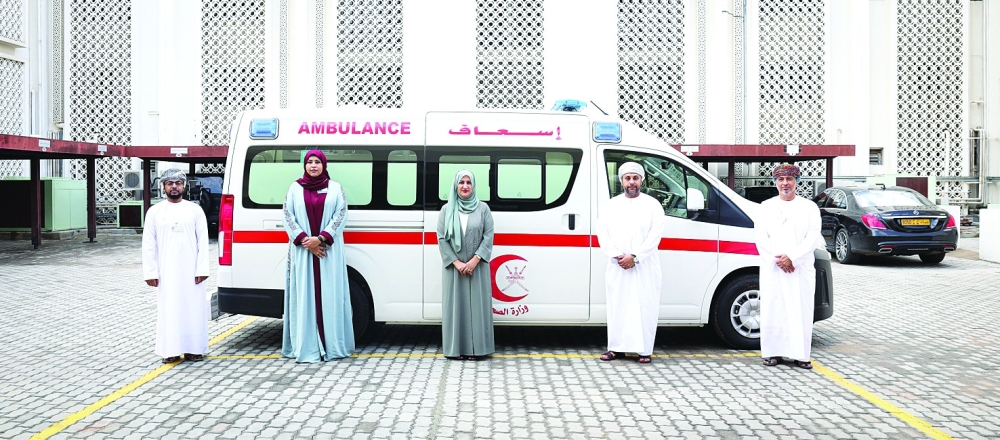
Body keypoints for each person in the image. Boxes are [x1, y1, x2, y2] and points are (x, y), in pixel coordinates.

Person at [281, 150, 355, 363]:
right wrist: (306, 240)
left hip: (327, 252)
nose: (313, 165)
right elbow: (287, 215)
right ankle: (307, 345)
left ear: (324, 164)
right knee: (304, 293)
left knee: (329, 294)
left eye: (317, 162)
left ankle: (331, 345)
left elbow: (341, 214)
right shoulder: (295, 188)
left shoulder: (335, 188)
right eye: (310, 162)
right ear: (304, 165)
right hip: (302, 252)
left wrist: (320, 239)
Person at [596, 162, 666, 364]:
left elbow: (655, 235)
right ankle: (616, 349)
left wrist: (635, 257)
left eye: (635, 178)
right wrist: (619, 256)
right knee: (619, 307)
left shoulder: (653, 205)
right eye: (628, 178)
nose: (632, 182)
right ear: (621, 181)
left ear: (642, 180)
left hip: (644, 266)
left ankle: (644, 350)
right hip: (618, 266)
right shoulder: (611, 206)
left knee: (645, 306)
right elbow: (603, 233)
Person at [754, 163, 823, 370]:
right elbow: (760, 238)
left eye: (789, 179)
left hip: (799, 269)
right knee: (774, 309)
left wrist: (792, 257)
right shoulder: (766, 206)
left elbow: (812, 238)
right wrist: (780, 260)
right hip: (774, 268)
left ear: (797, 182)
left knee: (800, 309)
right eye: (781, 179)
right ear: (775, 182)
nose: (785, 183)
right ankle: (772, 353)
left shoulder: (809, 207)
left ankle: (801, 355)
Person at [142, 169, 211, 364]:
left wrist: (202, 269)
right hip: (166, 271)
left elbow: (203, 241)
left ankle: (194, 349)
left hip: (192, 271)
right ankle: (170, 351)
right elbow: (148, 244)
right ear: (163, 186)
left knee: (194, 309)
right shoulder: (155, 212)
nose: (174, 186)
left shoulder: (195, 210)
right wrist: (150, 272)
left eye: (178, 183)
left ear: (184, 186)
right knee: (169, 310)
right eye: (170, 183)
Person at [437, 169, 495, 360]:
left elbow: (488, 236)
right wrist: (457, 263)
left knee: (478, 307)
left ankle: (478, 350)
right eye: (461, 182)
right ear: (455, 185)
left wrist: (474, 260)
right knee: (455, 307)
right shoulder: (446, 210)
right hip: (455, 269)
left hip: (477, 267)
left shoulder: (483, 209)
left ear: (474, 185)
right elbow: (441, 238)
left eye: (469, 182)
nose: (465, 186)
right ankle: (456, 350)